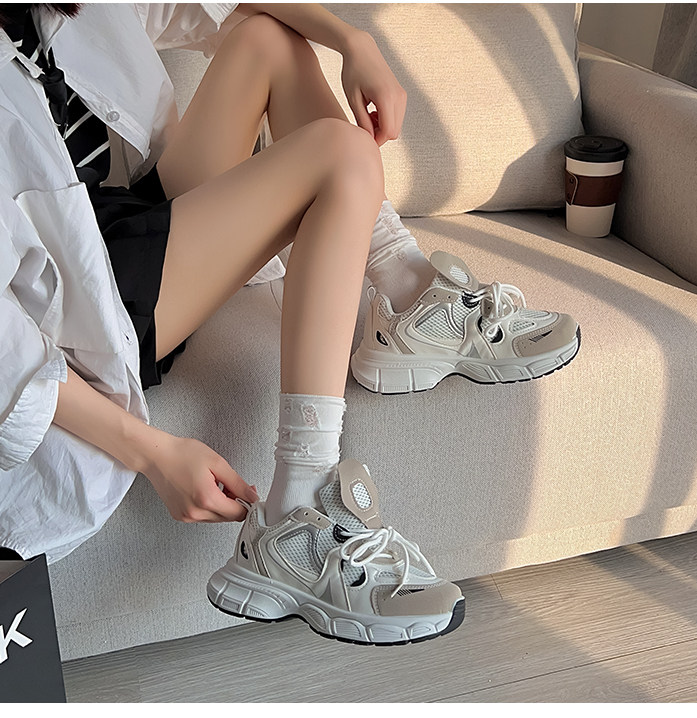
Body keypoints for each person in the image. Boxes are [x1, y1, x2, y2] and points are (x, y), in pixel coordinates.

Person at [0, 3, 579, 644]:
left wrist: (352, 39)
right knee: (341, 153)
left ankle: (410, 293)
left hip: (111, 223)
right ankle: (297, 504)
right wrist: (154, 452)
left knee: (266, 38)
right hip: (79, 308)